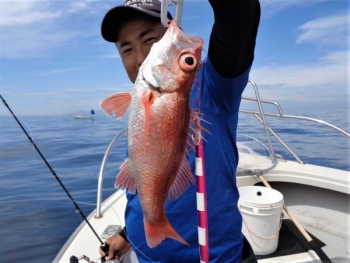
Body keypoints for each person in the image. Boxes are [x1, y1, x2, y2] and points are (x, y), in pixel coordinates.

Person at [99, 0, 260, 262]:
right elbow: (150, 180)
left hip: (214, 257)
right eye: (126, 49)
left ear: (172, 33)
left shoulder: (215, 88)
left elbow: (238, 16)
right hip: (146, 253)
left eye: (149, 39)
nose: (140, 58)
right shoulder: (141, 98)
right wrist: (128, 234)